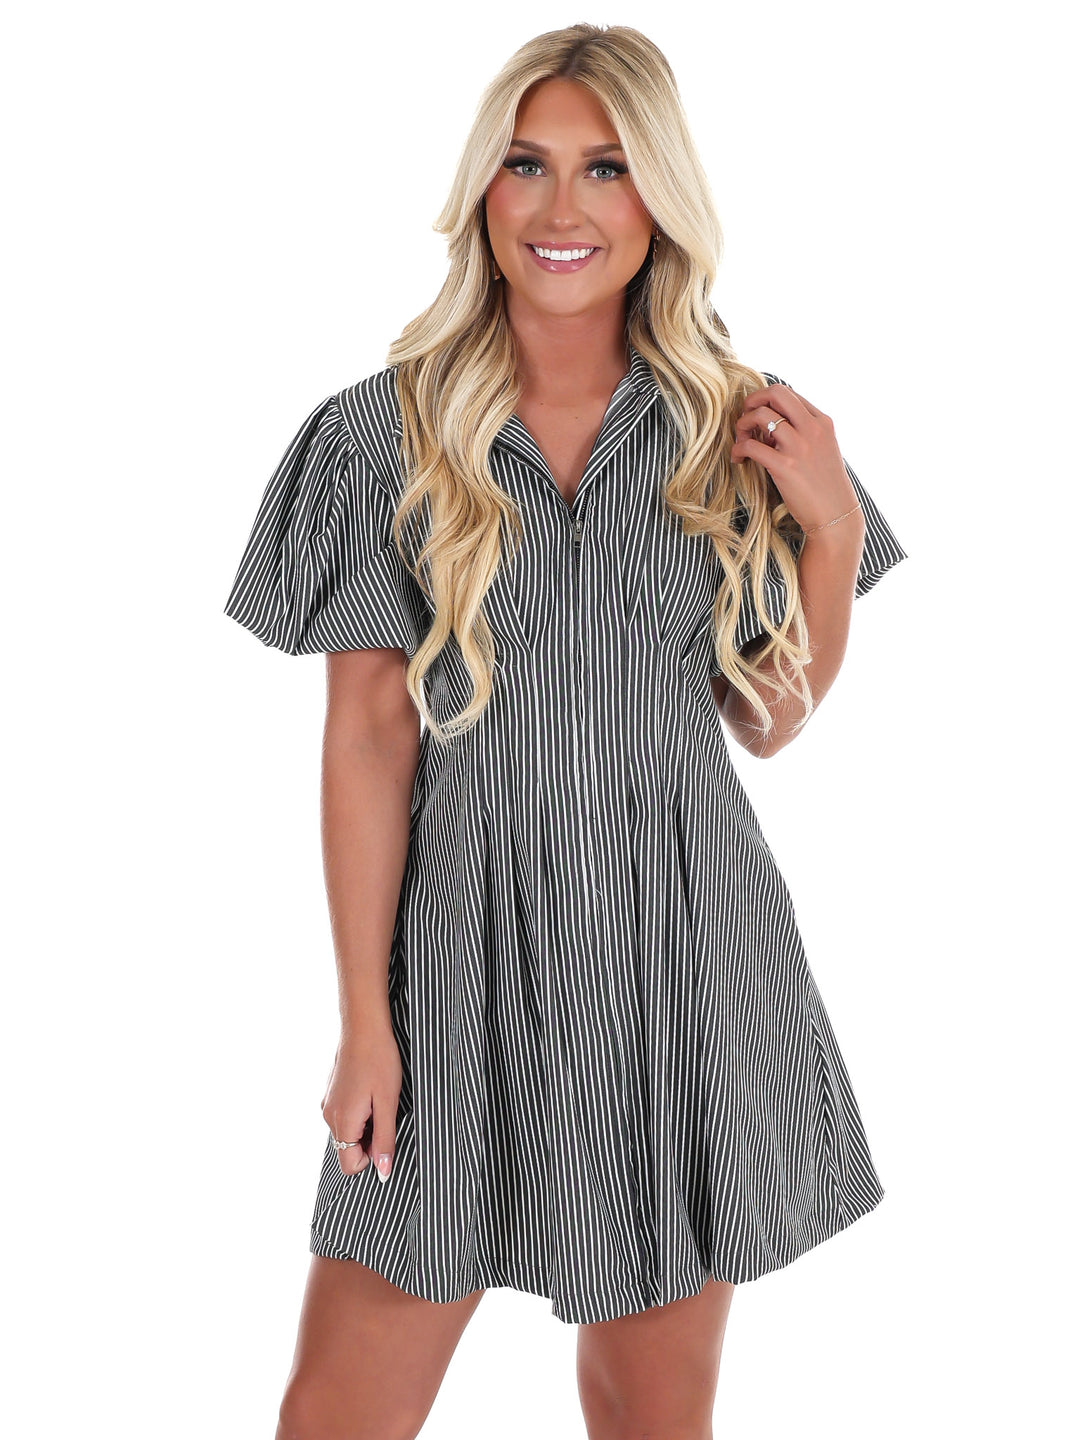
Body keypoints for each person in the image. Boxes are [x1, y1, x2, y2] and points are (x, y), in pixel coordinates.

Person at [224, 23, 908, 1440]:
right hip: (454, 970)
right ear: (483, 186)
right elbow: (368, 739)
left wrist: (833, 534)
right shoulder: (381, 436)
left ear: (660, 196)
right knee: (334, 1415)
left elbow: (766, 722)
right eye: (527, 164)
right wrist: (365, 1022)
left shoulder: (739, 428)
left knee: (649, 1415)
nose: (562, 207)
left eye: (607, 168)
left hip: (682, 963)